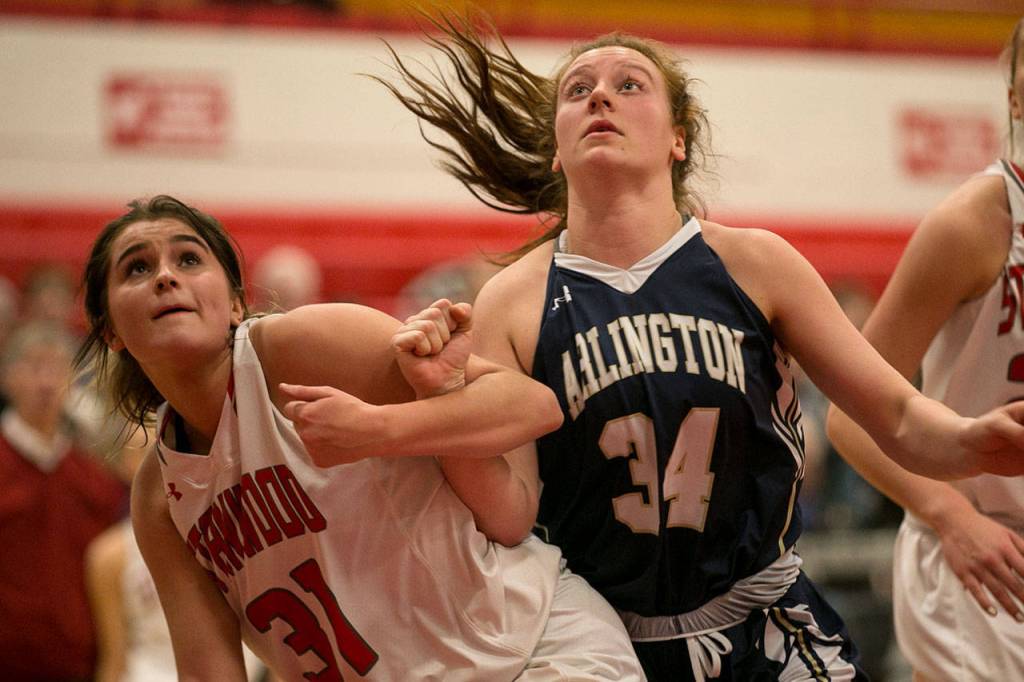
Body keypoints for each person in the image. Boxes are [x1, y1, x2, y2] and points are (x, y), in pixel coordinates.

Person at [372, 12, 1024, 681]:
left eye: (630, 85)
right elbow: (511, 514)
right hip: (601, 643)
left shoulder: (757, 264)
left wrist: (974, 437)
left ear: (678, 138)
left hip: (764, 625)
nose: (600, 96)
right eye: (578, 89)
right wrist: (444, 401)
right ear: (556, 151)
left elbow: (897, 415)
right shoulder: (513, 300)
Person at [74, 194, 646, 681]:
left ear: (236, 304)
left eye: (188, 258)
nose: (166, 275)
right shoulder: (159, 498)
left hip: (532, 653)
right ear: (110, 332)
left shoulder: (300, 347)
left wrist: (377, 430)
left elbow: (533, 406)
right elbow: (208, 671)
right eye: (137, 268)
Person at [827, 18, 1024, 681]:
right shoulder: (972, 226)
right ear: (1016, 97)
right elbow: (849, 416)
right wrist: (948, 514)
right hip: (984, 550)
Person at [85, 425, 269, 682]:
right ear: (126, 466)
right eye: (144, 454)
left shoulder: (235, 534)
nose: (159, 467)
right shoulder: (108, 556)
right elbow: (114, 658)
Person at [0, 321, 128, 681]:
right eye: (32, 366)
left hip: (79, 663)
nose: (45, 382)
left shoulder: (95, 478)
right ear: (8, 379)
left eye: (56, 368)